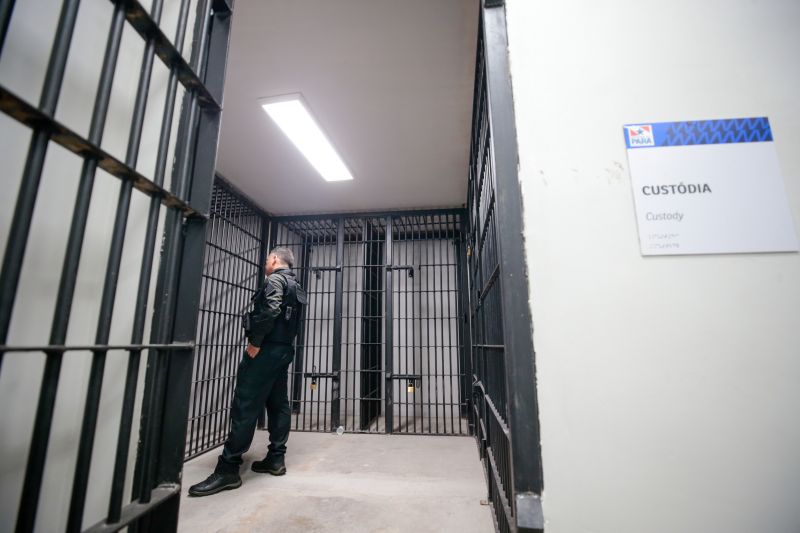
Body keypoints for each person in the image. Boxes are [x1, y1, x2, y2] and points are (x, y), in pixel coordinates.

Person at [189, 247, 306, 496]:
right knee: (278, 403)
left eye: (267, 259)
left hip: (265, 351)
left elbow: (271, 309)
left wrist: (256, 341)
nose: (265, 263)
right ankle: (276, 459)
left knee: (245, 403)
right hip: (283, 350)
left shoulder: (274, 280)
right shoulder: (295, 285)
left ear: (275, 259)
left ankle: (228, 469)